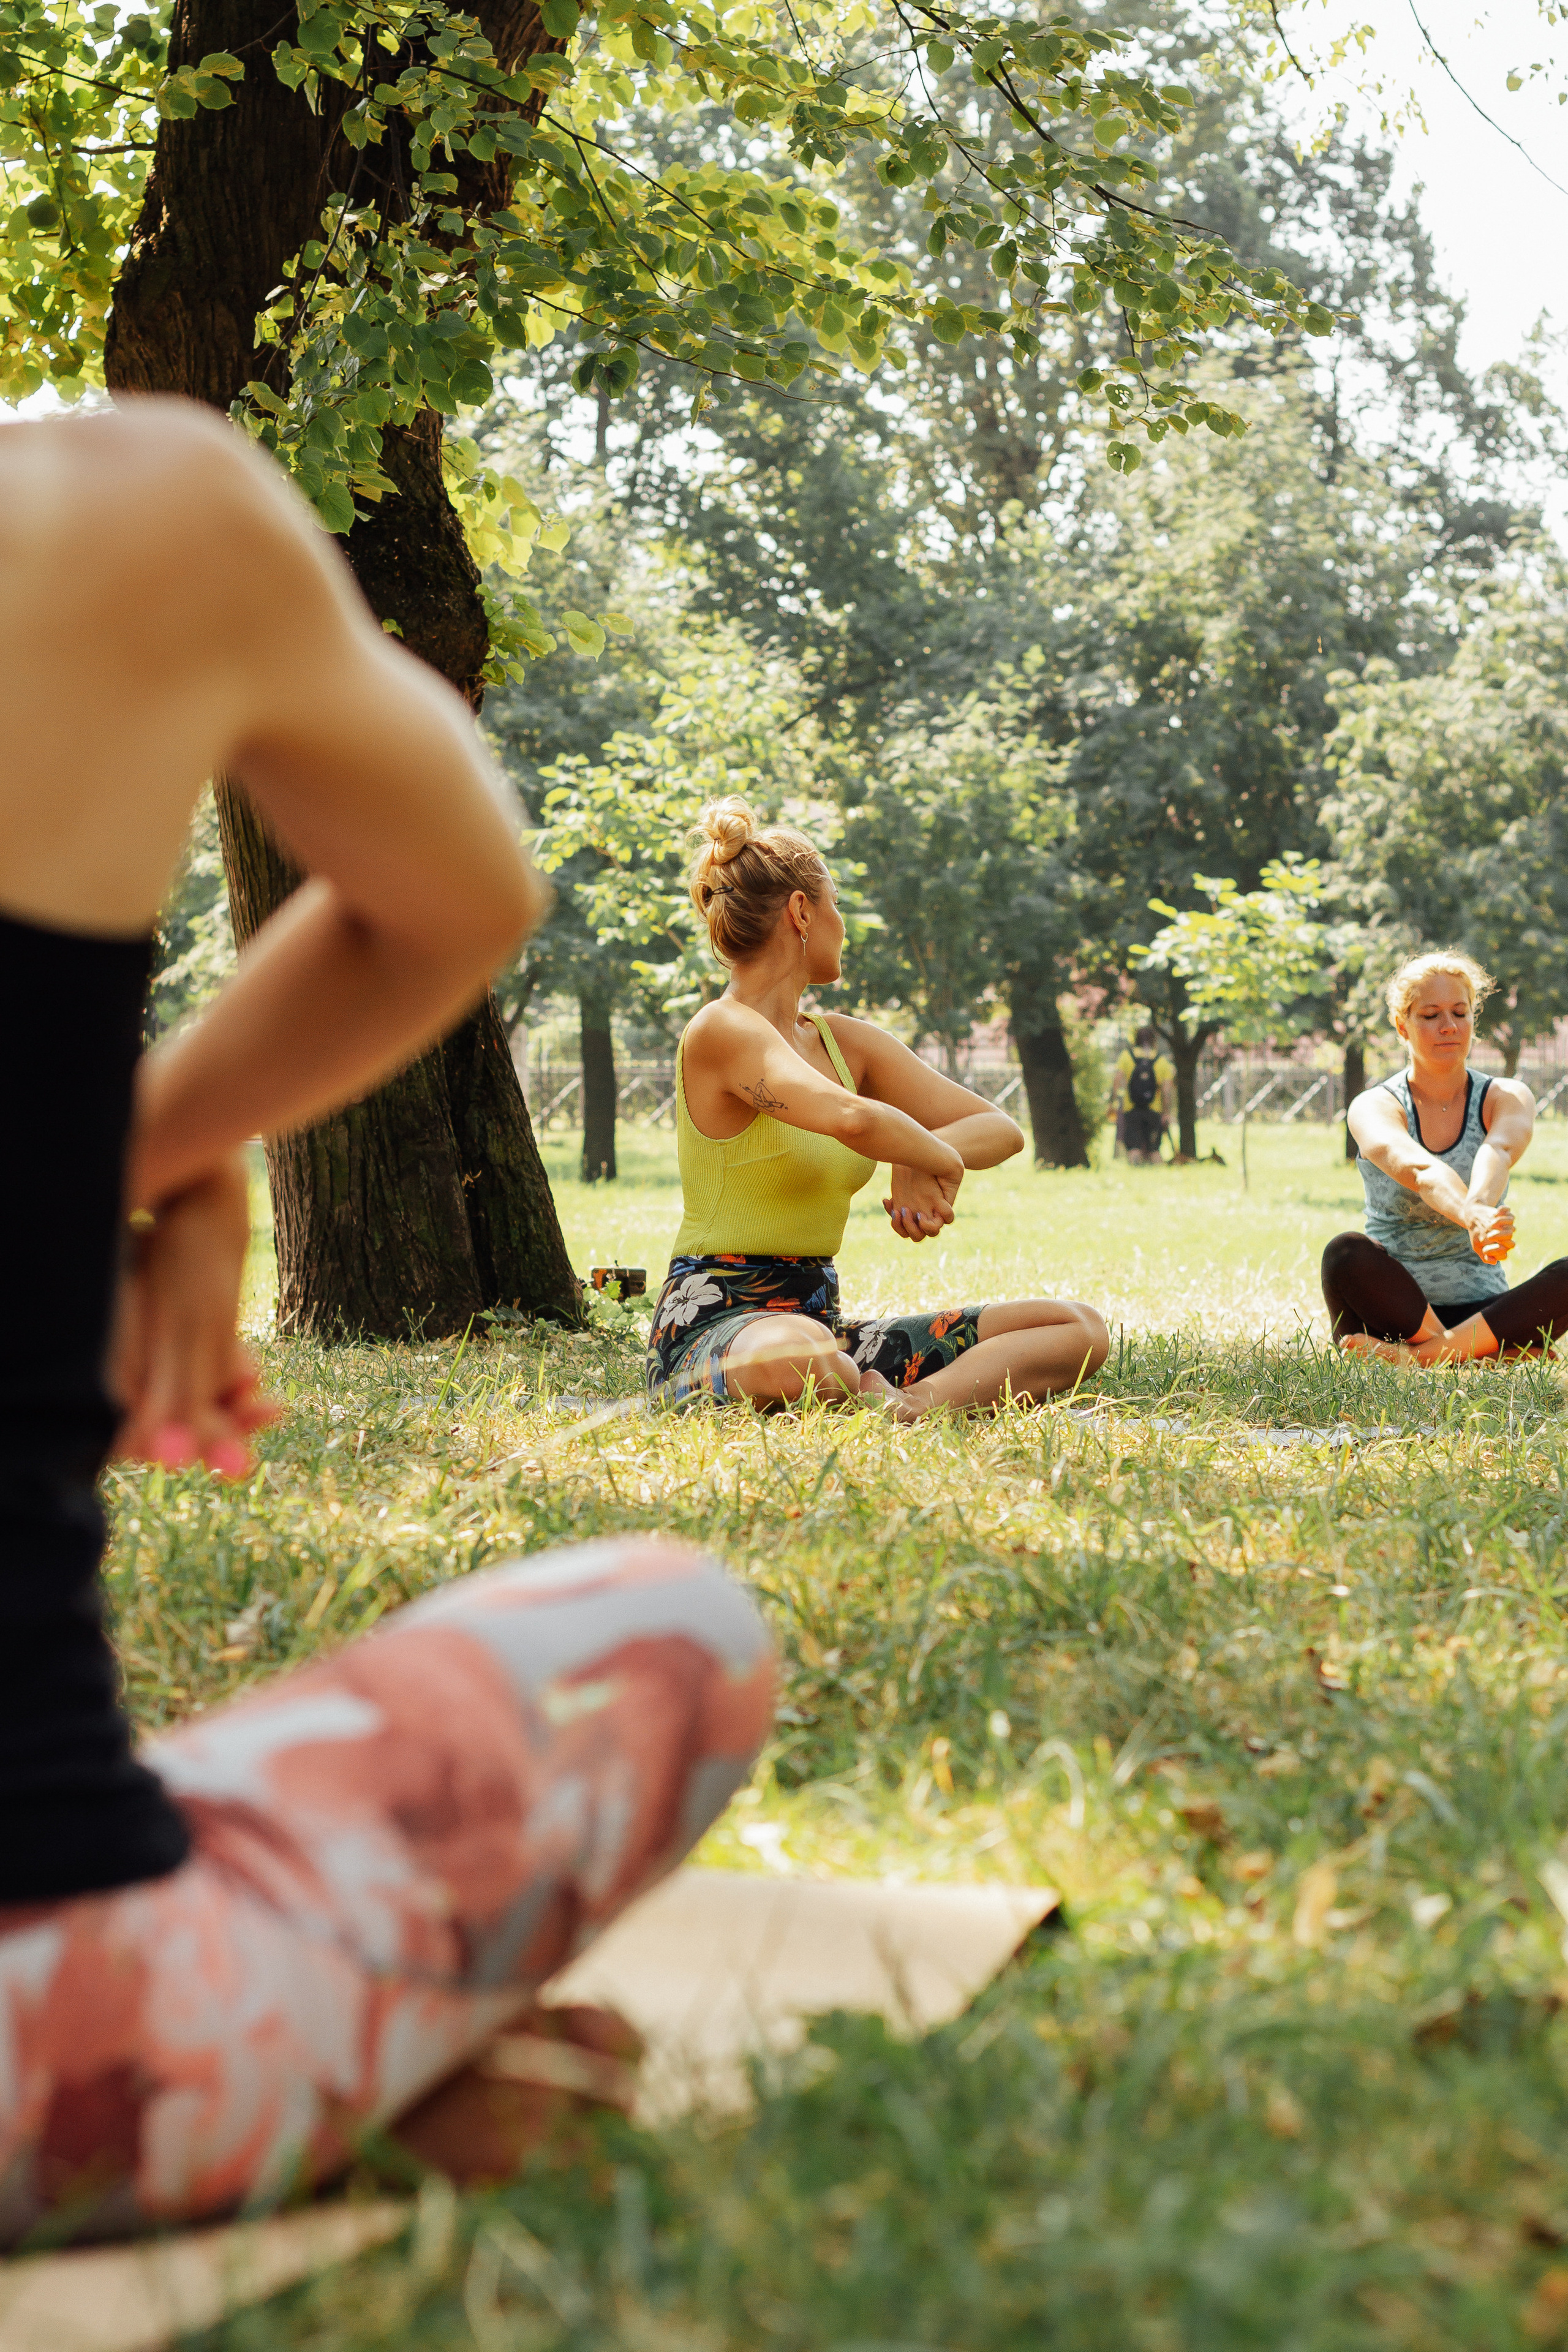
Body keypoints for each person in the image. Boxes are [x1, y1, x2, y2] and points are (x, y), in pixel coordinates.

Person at [0, 401, 774, 2238]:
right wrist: (145, 1151)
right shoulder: (127, 520)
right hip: (55, 2034)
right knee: (672, 1625)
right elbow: (460, 894)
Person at [646, 797, 1110, 1417]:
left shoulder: (845, 1043)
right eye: (835, 905)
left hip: (820, 1323)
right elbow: (853, 1120)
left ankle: (907, 1406)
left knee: (1076, 1329)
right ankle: (836, 1382)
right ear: (802, 911)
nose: (844, 926)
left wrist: (914, 1156)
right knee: (799, 1355)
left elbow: (1000, 1130)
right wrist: (919, 1149)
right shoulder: (721, 1030)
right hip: (717, 1326)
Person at [1322, 951, 1568, 1364]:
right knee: (1345, 1252)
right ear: (1403, 1026)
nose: (1449, 1026)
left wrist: (1481, 1207)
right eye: (1431, 1015)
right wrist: (1473, 1217)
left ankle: (1421, 1357)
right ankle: (1478, 1354)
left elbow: (1498, 1150)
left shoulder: (1505, 1096)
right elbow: (1421, 1171)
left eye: (1460, 1012)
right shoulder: (1374, 1105)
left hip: (1482, 1311)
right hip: (1391, 1310)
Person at [1110, 1024, 1175, 1164]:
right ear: (1154, 1041)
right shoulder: (1161, 1061)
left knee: (1134, 1147)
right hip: (1154, 1110)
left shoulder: (1127, 1056)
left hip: (1131, 1109)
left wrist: (1113, 1104)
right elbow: (1167, 1091)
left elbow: (1117, 1082)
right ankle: (1161, 1177)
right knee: (1154, 1150)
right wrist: (1166, 1112)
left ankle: (1135, 1177)